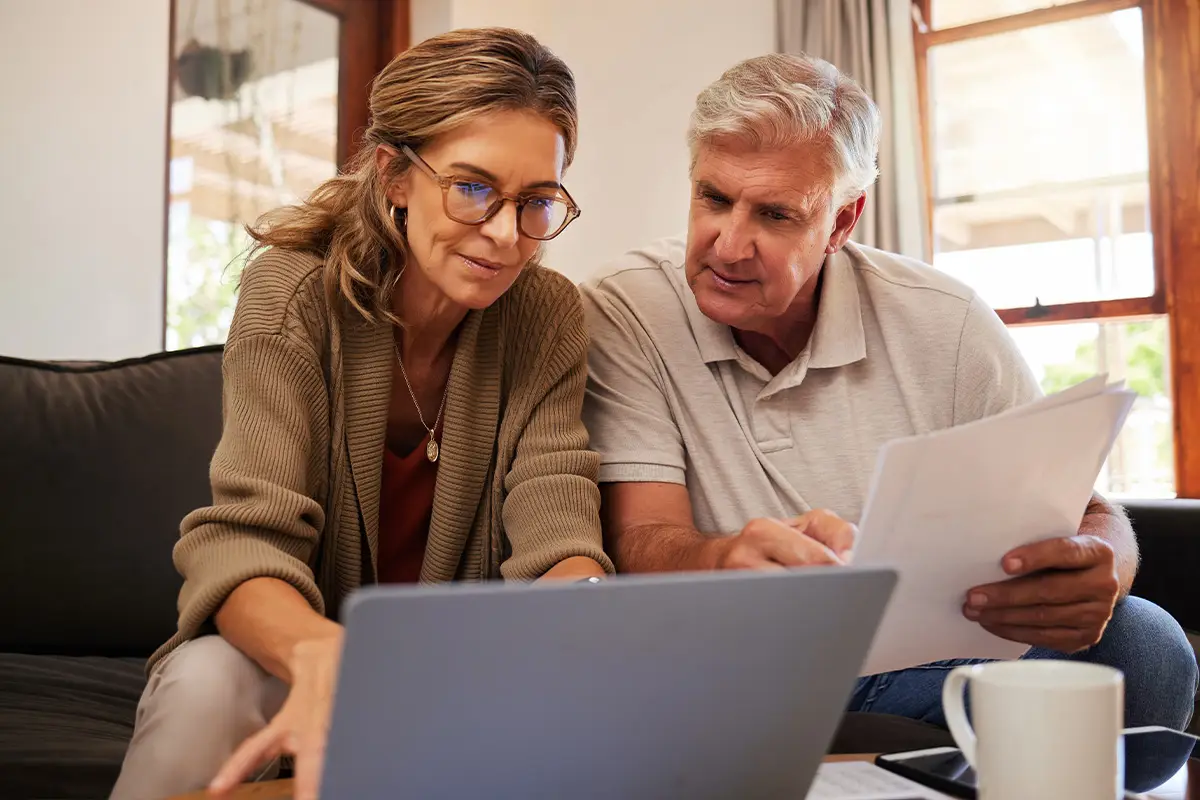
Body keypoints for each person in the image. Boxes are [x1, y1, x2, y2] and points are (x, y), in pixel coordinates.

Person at [581, 53, 1196, 733]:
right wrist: (723, 561)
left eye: (777, 215)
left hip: (936, 662)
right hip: (741, 669)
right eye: (714, 198)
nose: (728, 246)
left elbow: (1086, 512)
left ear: (842, 224)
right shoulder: (627, 307)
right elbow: (640, 536)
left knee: (1146, 645)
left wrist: (1103, 566)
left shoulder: (946, 320)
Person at [110, 28, 613, 800]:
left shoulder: (547, 315)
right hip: (291, 656)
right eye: (473, 188)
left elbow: (558, 534)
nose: (508, 236)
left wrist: (577, 613)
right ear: (395, 175)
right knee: (208, 680)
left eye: (537, 202)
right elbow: (246, 543)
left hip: (458, 675)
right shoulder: (293, 293)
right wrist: (326, 658)